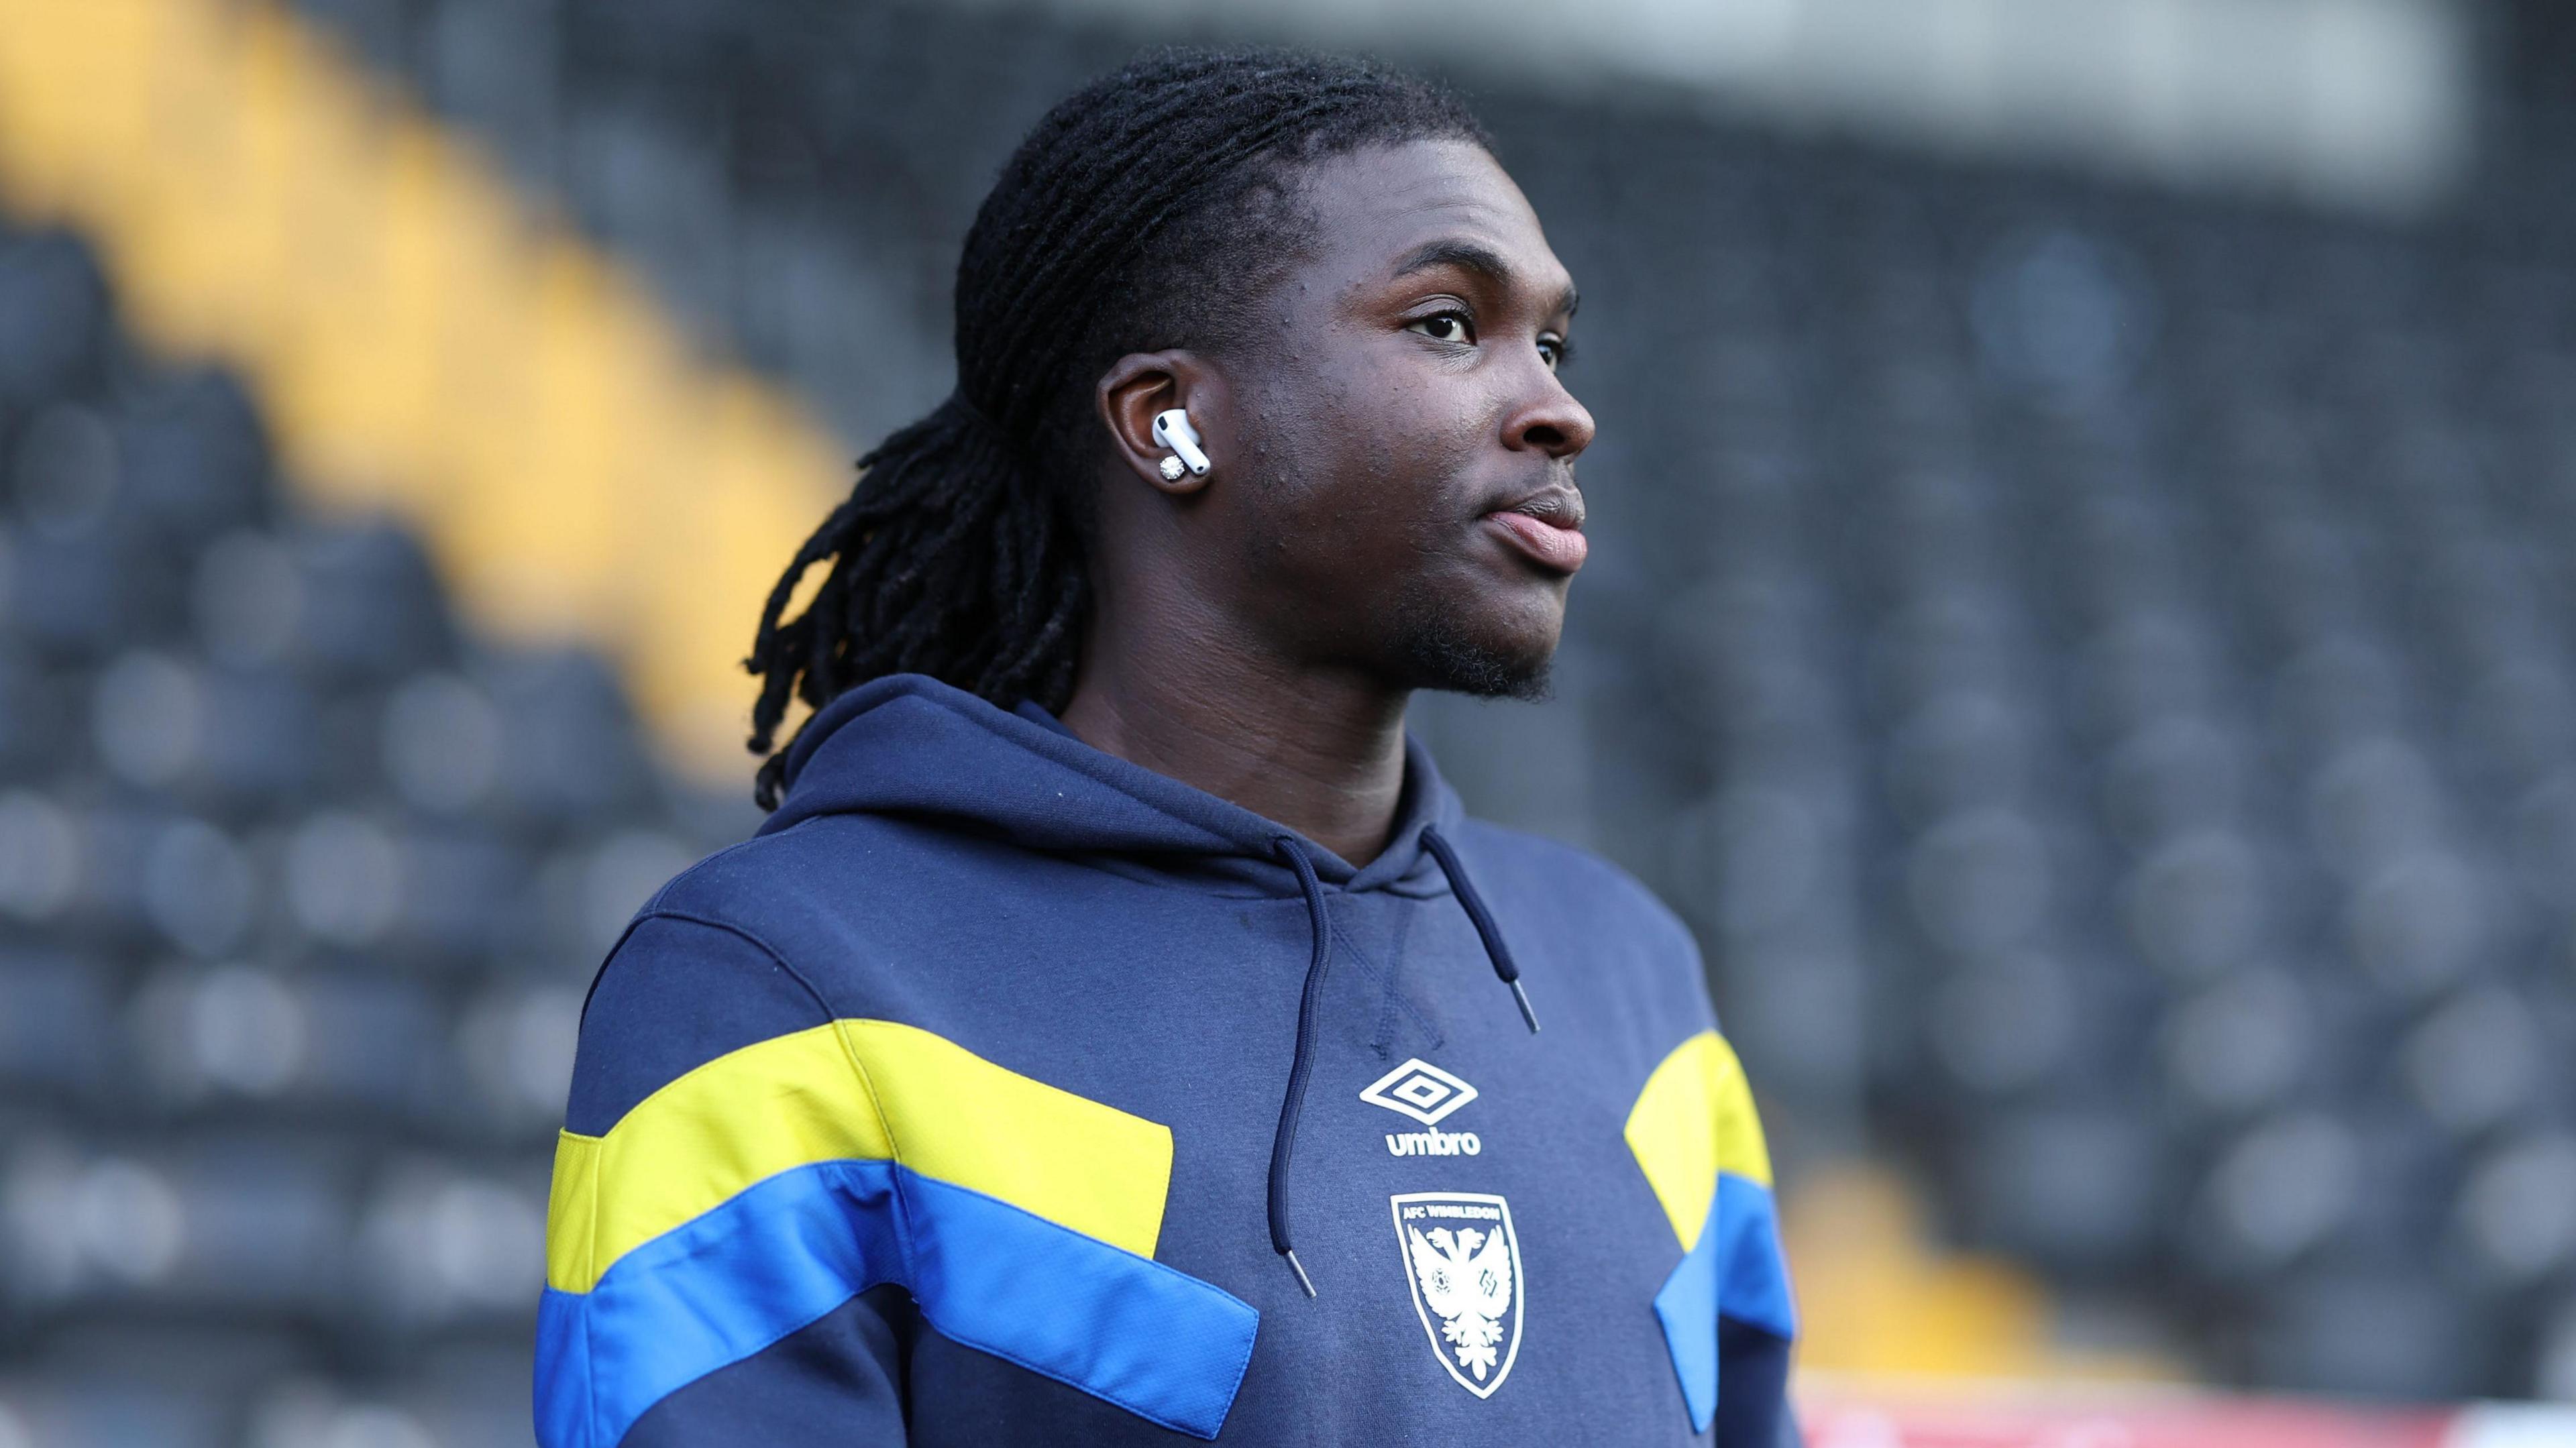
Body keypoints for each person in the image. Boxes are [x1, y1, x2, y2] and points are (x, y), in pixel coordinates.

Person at [535, 47, 1797, 1447]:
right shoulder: (784, 985)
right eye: (1447, 325)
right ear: (1169, 423)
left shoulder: (1635, 984)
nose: (1562, 409)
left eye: (1551, 344)